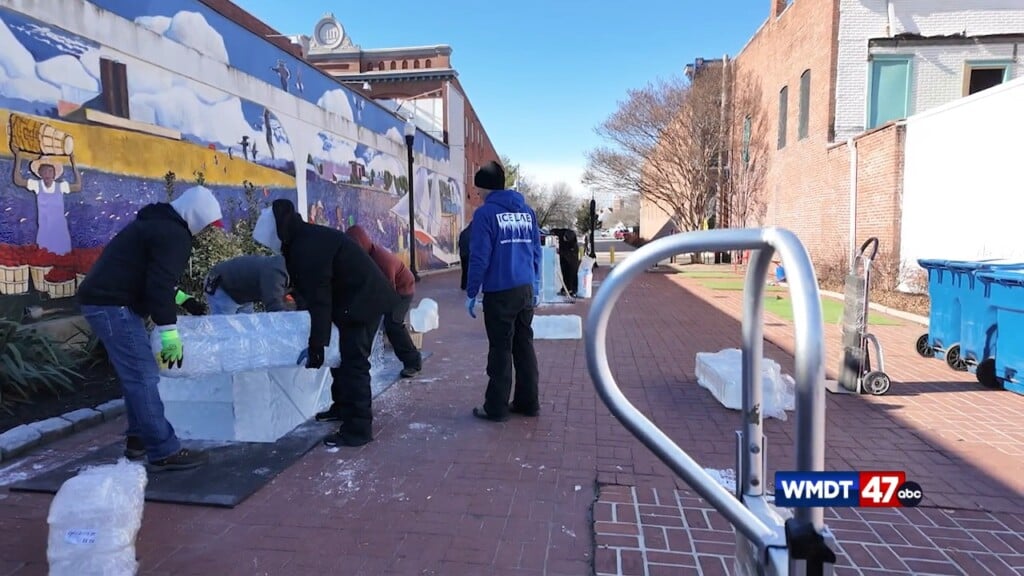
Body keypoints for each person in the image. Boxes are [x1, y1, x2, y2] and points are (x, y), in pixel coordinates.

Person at [76, 185, 224, 472]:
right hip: (113, 306)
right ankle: (164, 450)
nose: (206, 232)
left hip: (108, 302)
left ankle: (138, 440)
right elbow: (157, 286)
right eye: (206, 226)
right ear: (195, 216)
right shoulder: (174, 235)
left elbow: (150, 277)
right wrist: (170, 333)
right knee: (143, 377)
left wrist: (184, 300)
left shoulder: (157, 224)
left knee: (137, 375)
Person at [253, 199, 400, 447]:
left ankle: (358, 429)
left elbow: (319, 298)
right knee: (340, 358)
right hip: (352, 299)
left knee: (354, 363)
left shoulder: (305, 246)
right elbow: (307, 293)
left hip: (363, 301)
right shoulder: (300, 240)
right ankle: (342, 407)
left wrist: (317, 345)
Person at [464, 161, 541, 422]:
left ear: (485, 188)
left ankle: (495, 407)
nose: (478, 195)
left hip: (500, 292)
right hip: (524, 289)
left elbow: (479, 257)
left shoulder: (485, 215)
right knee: (524, 346)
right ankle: (528, 403)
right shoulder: (527, 212)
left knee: (500, 349)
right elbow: (535, 251)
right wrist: (536, 284)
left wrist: (472, 291)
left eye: (478, 190)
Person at [344, 225, 423, 379]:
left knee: (393, 324)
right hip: (385, 289)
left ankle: (413, 362)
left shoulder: (381, 261)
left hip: (401, 290)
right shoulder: (364, 256)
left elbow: (386, 294)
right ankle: (361, 360)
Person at [203, 254, 290, 314]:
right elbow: (274, 306)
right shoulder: (277, 271)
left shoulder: (290, 267)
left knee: (246, 331)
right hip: (222, 286)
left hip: (244, 292)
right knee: (225, 331)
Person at [458, 221, 472, 290]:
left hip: (462, 254)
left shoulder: (463, 232)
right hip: (469, 254)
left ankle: (463, 285)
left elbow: (459, 243)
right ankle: (467, 285)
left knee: (464, 270)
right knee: (469, 271)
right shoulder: (473, 233)